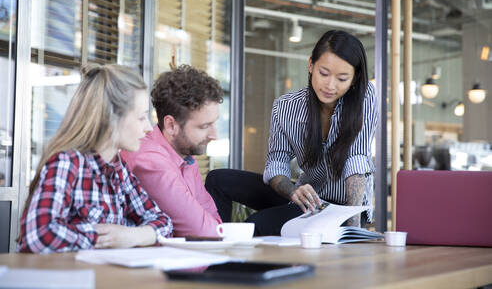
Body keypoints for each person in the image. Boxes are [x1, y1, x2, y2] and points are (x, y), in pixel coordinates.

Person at [205, 30, 378, 236]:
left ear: (354, 78)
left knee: (254, 225)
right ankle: (212, 246)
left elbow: (356, 162)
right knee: (218, 179)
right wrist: (294, 191)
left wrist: (352, 230)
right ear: (311, 64)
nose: (330, 86)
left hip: (340, 208)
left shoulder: (365, 96)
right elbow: (276, 163)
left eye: (342, 78)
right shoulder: (285, 106)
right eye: (324, 73)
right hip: (306, 198)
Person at [17, 64, 173, 253]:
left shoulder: (119, 169)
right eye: (141, 117)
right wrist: (108, 238)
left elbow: (163, 222)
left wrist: (130, 235)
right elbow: (39, 235)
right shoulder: (67, 164)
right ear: (111, 118)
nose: (148, 127)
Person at [122, 64, 223, 237]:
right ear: (171, 125)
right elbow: (203, 232)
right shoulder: (149, 160)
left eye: (214, 123)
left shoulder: (185, 155)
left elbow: (216, 225)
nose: (214, 135)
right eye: (205, 126)